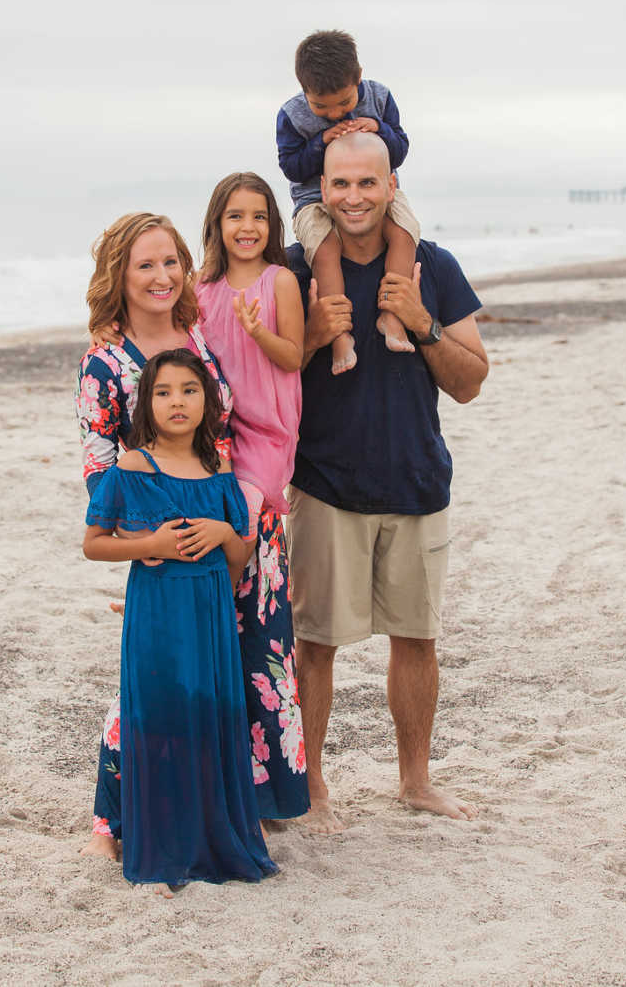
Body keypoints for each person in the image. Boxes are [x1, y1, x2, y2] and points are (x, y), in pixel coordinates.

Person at [76, 212, 307, 858]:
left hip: (238, 522)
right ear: (119, 275)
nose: (161, 276)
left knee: (247, 665)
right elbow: (100, 466)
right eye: (145, 264)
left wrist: (252, 497)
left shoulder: (198, 330)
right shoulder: (105, 362)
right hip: (169, 546)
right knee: (154, 680)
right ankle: (112, 819)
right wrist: (151, 544)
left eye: (171, 262)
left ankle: (239, 800)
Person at [286, 132, 489, 834]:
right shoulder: (297, 267)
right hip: (323, 483)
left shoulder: (434, 266)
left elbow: (471, 381)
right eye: (339, 186)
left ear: (391, 186)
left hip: (416, 479)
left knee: (417, 640)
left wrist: (422, 323)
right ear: (322, 189)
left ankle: (415, 781)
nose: (353, 199)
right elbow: (263, 372)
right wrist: (313, 334)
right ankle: (312, 789)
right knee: (315, 644)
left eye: (367, 185)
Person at [84, 349, 278, 887]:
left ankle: (209, 833)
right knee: (162, 711)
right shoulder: (132, 467)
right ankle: (160, 835)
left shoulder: (219, 471)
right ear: (146, 402)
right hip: (158, 610)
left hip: (211, 609)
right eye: (164, 391)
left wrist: (223, 535)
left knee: (207, 710)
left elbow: (239, 559)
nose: (177, 402)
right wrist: (150, 543)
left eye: (189, 391)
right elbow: (93, 544)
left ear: (208, 402)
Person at [276, 29, 419, 375]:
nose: (334, 113)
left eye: (343, 102)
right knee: (324, 251)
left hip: (375, 191)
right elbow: (290, 166)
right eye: (320, 106)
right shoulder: (292, 116)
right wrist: (321, 142)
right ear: (303, 89)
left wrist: (378, 128)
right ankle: (340, 335)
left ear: (358, 79)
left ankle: (392, 315)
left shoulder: (380, 98)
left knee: (405, 232)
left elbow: (400, 148)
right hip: (314, 197)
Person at [196, 171, 304, 540]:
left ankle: (221, 595)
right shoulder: (201, 286)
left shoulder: (280, 281)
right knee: (197, 511)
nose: (248, 226)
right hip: (212, 427)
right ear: (217, 224)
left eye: (259, 216)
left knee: (243, 518)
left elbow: (293, 357)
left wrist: (258, 333)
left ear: (272, 225)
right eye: (235, 216)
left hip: (265, 430)